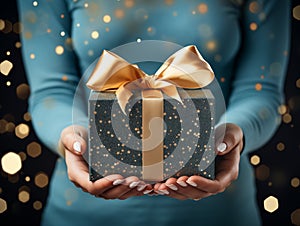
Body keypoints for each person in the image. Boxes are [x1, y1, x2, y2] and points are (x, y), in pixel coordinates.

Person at [17, 0, 290, 225]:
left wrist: (232, 135)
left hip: (219, 215)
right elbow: (51, 92)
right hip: (80, 216)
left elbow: (260, 90)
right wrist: (71, 139)